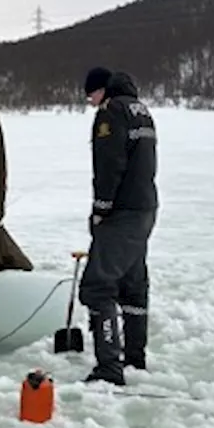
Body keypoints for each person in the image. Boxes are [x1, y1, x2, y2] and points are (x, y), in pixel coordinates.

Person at [78, 67, 158, 385]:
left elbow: (109, 165)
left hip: (121, 212)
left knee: (97, 287)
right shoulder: (142, 111)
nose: (92, 103)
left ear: (102, 90)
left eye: (91, 95)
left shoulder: (111, 113)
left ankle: (109, 367)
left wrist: (101, 209)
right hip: (145, 208)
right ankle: (134, 358)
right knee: (132, 284)